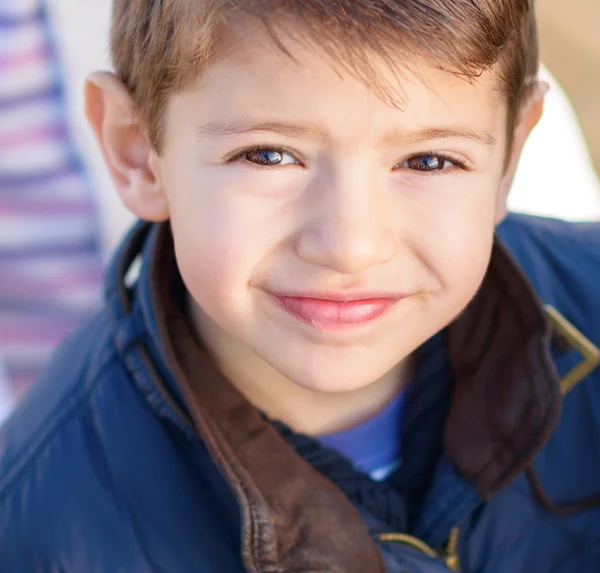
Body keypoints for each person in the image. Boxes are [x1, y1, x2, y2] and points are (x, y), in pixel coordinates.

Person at [1, 1, 599, 572]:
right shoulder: (39, 527)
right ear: (137, 148)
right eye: (268, 155)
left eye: (428, 161)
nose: (349, 246)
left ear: (512, 153)